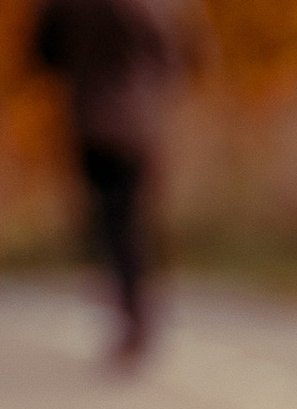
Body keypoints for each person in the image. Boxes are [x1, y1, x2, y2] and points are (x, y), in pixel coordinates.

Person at [27, 0, 199, 368]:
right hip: (142, 121)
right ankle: (140, 307)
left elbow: (43, 51)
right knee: (134, 216)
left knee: (109, 219)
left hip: (90, 119)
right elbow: (184, 48)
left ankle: (129, 310)